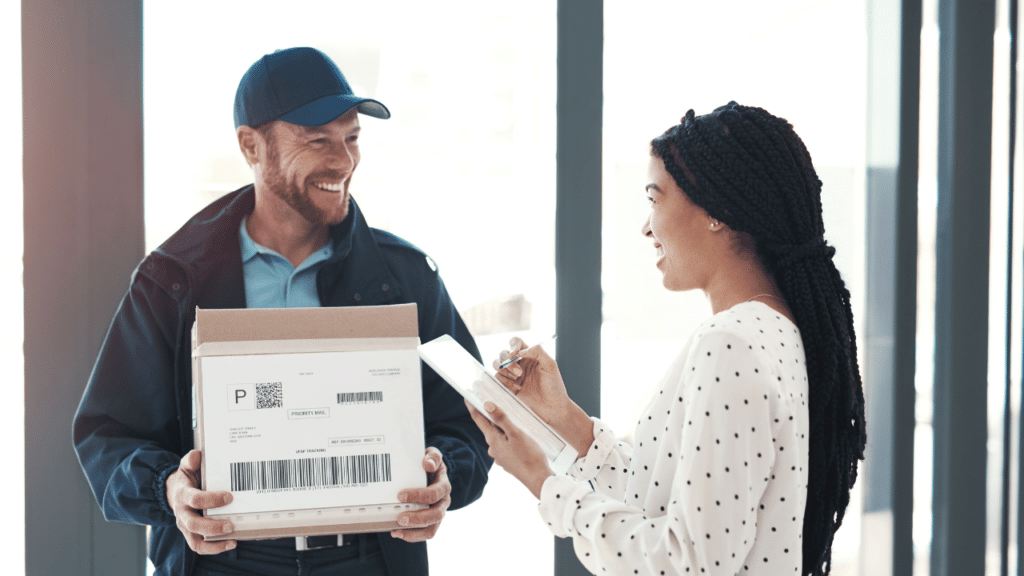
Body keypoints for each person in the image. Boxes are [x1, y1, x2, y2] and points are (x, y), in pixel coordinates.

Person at [73, 47, 492, 576]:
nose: (343, 160)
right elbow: (105, 435)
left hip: (368, 561)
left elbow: (470, 424)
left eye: (352, 137)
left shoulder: (405, 279)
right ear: (251, 145)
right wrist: (169, 489)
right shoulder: (173, 283)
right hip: (223, 562)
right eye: (317, 138)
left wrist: (443, 474)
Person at [468, 102, 865, 576]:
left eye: (654, 199)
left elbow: (686, 561)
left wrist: (539, 477)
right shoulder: (776, 331)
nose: (646, 226)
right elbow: (663, 504)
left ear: (716, 211)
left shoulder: (731, 344)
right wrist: (566, 420)